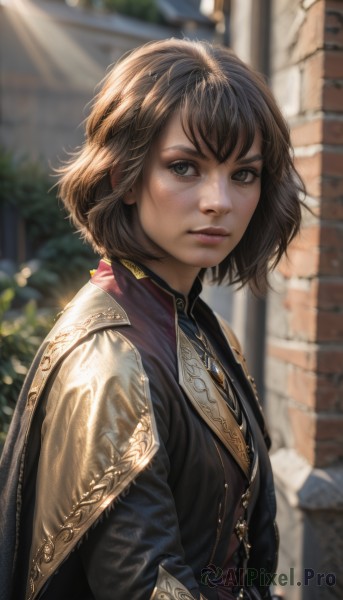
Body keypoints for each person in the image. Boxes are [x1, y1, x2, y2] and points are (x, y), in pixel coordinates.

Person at [0, 38, 304, 600]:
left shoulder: (197, 325)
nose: (219, 201)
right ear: (123, 175)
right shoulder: (111, 358)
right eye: (185, 167)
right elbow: (144, 585)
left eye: (244, 174)